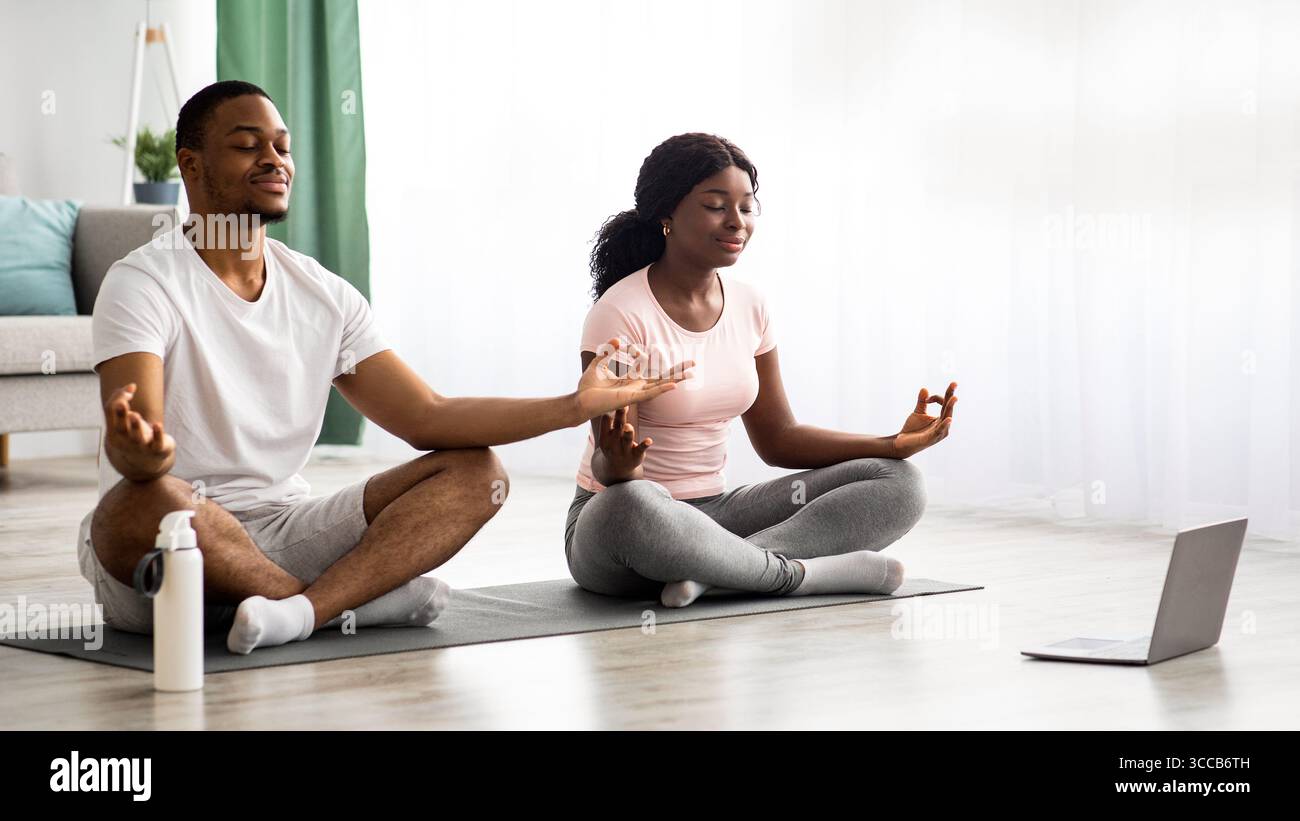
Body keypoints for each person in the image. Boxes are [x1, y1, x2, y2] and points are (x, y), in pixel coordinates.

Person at [80, 80, 688, 654]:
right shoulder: (144, 282)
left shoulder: (322, 293)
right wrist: (146, 458)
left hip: (287, 527)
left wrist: (573, 407)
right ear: (191, 166)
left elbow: (428, 417)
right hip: (181, 539)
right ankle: (342, 603)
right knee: (141, 504)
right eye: (246, 146)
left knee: (478, 471)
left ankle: (296, 612)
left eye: (282, 147)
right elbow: (140, 449)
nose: (274, 159)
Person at [565, 133, 958, 608]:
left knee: (900, 481)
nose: (737, 222)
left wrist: (893, 445)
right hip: (624, 526)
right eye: (715, 206)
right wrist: (622, 466)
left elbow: (779, 439)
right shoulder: (622, 312)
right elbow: (613, 472)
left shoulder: (750, 305)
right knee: (632, 505)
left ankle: (721, 574)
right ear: (666, 215)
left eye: (747, 208)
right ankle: (795, 576)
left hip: (717, 517)